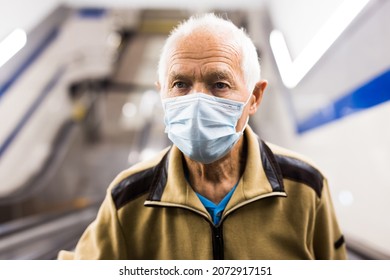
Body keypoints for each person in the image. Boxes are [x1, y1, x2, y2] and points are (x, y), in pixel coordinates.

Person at [58, 13, 347, 260]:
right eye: (180, 84)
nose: (197, 101)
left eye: (219, 84)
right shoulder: (129, 196)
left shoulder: (306, 187)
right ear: (163, 93)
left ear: (255, 97)